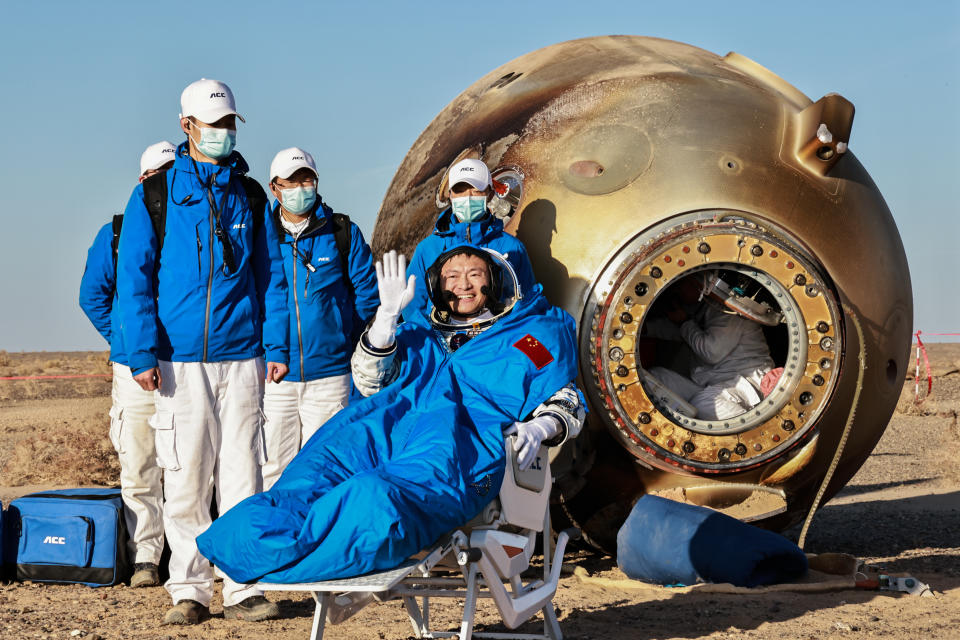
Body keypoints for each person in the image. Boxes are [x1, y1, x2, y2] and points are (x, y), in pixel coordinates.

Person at [196, 246, 584, 585]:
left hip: (455, 445)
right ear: (436, 285)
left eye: (474, 275)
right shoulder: (418, 334)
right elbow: (368, 378)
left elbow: (566, 397)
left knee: (375, 497)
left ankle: (297, 550)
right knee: (302, 487)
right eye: (451, 276)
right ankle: (259, 542)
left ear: (494, 282)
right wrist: (385, 318)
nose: (462, 285)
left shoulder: (526, 337)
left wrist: (544, 424)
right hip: (378, 429)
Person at [116, 79, 289, 625]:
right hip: (177, 361)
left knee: (244, 474)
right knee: (186, 475)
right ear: (187, 126)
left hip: (243, 358)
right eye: (213, 125)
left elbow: (272, 277)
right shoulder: (155, 195)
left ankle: (243, 588)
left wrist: (277, 344)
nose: (223, 133)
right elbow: (134, 280)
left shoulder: (252, 194)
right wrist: (141, 352)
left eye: (229, 124)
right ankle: (189, 589)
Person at [77, 140, 176, 588]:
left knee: (191, 461)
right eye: (157, 174)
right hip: (133, 371)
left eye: (172, 171)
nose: (165, 180)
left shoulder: (195, 230)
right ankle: (146, 557)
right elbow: (92, 296)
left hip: (186, 362)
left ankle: (191, 553)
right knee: (139, 462)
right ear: (142, 181)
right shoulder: (115, 234)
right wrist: (126, 340)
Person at [260, 147, 379, 488]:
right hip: (274, 378)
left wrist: (350, 347)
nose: (300, 188)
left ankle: (319, 540)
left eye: (307, 179)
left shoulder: (342, 233)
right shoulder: (260, 237)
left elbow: (366, 296)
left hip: (331, 378)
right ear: (275, 187)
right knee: (272, 469)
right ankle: (275, 538)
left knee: (325, 469)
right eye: (291, 182)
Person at [405, 158, 536, 323]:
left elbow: (528, 303)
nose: (467, 198)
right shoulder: (428, 248)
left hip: (497, 341)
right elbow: (413, 310)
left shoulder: (512, 247)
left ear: (490, 193)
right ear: (450, 195)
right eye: (460, 190)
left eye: (476, 190)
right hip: (442, 343)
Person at [645, 271, 775, 421]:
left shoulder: (730, 311)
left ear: (697, 283)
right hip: (716, 386)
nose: (676, 291)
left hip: (746, 384)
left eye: (680, 285)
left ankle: (752, 433)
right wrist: (646, 329)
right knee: (656, 378)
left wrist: (684, 322)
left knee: (705, 403)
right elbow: (683, 332)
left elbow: (711, 352)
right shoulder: (707, 307)